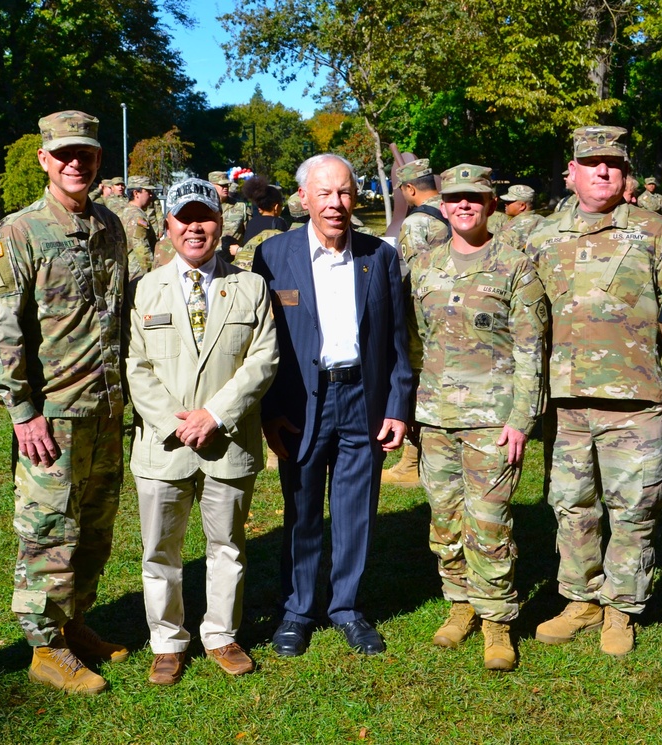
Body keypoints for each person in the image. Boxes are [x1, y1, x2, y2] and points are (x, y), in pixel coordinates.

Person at [527, 126, 662, 658]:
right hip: (564, 401)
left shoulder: (655, 232)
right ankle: (581, 599)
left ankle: (621, 608)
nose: (602, 171)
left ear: (625, 174)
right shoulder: (540, 235)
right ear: (572, 172)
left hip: (634, 398)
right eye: (591, 163)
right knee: (572, 504)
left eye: (613, 163)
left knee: (634, 505)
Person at [0, 110, 129, 695]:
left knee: (94, 529)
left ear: (96, 160)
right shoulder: (17, 233)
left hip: (107, 411)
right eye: (63, 153)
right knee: (49, 529)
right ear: (44, 159)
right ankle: (45, 645)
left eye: (85, 153)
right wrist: (23, 411)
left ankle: (73, 623)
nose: (75, 162)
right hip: (52, 417)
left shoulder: (111, 226)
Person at [252, 153, 414, 657]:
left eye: (344, 192)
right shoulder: (273, 256)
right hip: (300, 402)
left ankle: (345, 606)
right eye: (324, 193)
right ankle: (298, 610)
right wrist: (268, 411)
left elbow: (398, 342)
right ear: (304, 199)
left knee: (355, 510)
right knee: (300, 508)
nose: (336, 203)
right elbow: (262, 341)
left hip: (362, 399)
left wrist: (397, 405)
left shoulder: (379, 256)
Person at [126, 177, 279, 685]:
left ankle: (220, 633)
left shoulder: (251, 287)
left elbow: (264, 359)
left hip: (227, 442)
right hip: (163, 445)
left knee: (227, 547)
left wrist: (214, 416)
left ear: (221, 222)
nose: (195, 227)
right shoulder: (145, 289)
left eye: (205, 217)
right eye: (183, 218)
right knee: (160, 552)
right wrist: (179, 423)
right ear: (167, 225)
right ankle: (167, 640)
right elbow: (136, 367)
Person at [407, 164, 547, 671]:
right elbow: (417, 338)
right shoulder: (424, 266)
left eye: (475, 198)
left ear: (491, 205)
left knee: (489, 523)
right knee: (445, 520)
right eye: (455, 198)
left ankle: (497, 622)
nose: (464, 205)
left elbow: (533, 350)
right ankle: (460, 604)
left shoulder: (516, 265)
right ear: (442, 206)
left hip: (494, 419)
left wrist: (521, 420)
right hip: (437, 418)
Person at [381, 158, 449, 487]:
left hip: (423, 320)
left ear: (409, 189)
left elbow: (418, 275)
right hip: (459, 315)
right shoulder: (456, 209)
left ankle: (414, 460)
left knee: (417, 382)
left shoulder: (416, 222)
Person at [122, 176, 159, 279]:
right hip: (138, 273)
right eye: (147, 191)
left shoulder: (125, 211)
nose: (151, 195)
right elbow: (142, 250)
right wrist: (152, 274)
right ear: (136, 193)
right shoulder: (137, 216)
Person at [209, 170, 248, 258]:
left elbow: (249, 234)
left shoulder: (240, 207)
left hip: (233, 260)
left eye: (227, 185)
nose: (225, 188)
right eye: (222, 185)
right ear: (211, 186)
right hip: (210, 259)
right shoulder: (204, 208)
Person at [498, 184, 545, 250]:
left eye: (509, 202)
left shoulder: (511, 228)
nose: (505, 204)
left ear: (522, 206)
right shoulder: (543, 221)